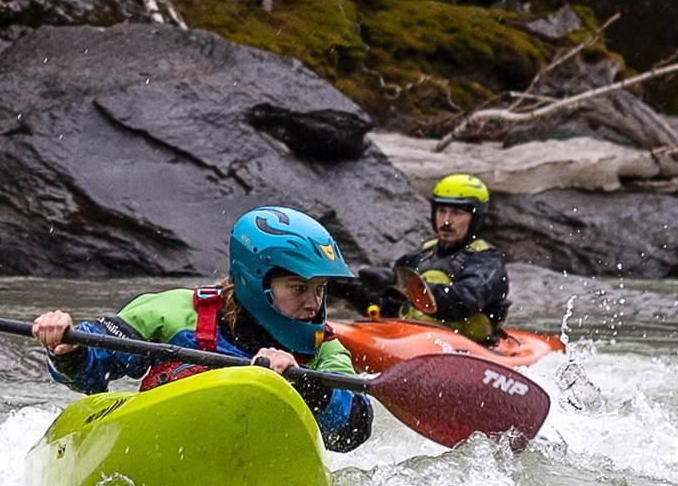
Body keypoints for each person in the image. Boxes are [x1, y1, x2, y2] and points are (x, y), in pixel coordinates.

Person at [31, 205, 374, 452]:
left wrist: (305, 385)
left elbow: (351, 433)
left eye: (320, 289)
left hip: (255, 463)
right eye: (299, 289)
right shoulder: (174, 312)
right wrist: (68, 350)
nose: (314, 304)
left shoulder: (323, 347)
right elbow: (90, 374)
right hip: (161, 450)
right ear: (254, 280)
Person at [358, 172, 510, 343]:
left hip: (471, 346)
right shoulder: (417, 257)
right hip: (413, 340)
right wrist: (352, 290)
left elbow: (462, 303)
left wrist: (402, 282)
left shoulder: (487, 262)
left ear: (474, 219)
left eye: (457, 213)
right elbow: (390, 308)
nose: (446, 221)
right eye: (442, 211)